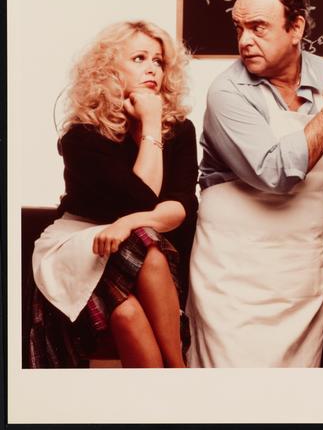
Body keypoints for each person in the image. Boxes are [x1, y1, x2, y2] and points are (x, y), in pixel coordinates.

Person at [186, 0, 323, 367]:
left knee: (293, 392)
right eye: (239, 28)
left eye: (258, 27)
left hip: (303, 276)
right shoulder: (227, 92)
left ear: (296, 28)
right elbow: (274, 173)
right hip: (233, 277)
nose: (244, 41)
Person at [29, 21, 198, 368]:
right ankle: (181, 375)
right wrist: (151, 126)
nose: (152, 68)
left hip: (141, 244)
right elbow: (142, 199)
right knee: (146, 247)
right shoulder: (82, 135)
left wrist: (128, 223)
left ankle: (174, 380)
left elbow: (180, 207)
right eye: (139, 58)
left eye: (158, 60)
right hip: (79, 244)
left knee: (129, 307)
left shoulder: (180, 130)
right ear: (109, 70)